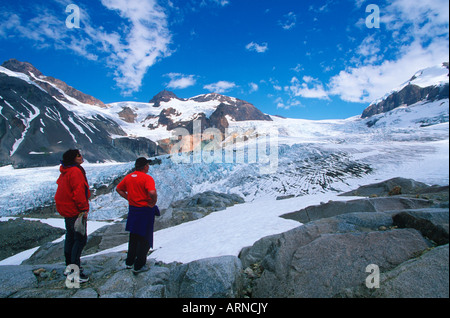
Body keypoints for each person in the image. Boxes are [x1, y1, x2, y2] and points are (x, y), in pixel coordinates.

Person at [116, 157, 159, 274]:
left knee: (134, 236)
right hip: (145, 210)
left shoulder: (129, 177)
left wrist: (128, 198)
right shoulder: (147, 178)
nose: (148, 167)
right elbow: (151, 192)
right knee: (145, 238)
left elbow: (119, 189)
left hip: (133, 210)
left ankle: (129, 262)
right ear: (145, 166)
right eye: (147, 165)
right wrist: (153, 201)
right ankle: (139, 265)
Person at [54, 149, 91, 283]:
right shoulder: (75, 171)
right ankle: (74, 274)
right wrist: (84, 209)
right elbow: (79, 192)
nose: (81, 157)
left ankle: (69, 267)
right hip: (75, 211)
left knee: (70, 238)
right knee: (79, 239)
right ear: (73, 158)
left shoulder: (66, 170)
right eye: (78, 155)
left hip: (67, 210)